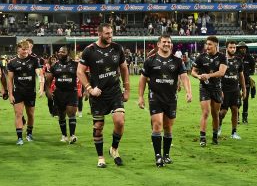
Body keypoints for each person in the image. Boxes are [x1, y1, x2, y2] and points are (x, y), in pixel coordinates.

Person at [77, 23, 130, 168]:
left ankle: (114, 148)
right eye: (107, 33)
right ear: (99, 34)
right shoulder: (89, 51)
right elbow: (80, 71)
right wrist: (89, 88)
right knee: (99, 125)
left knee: (119, 121)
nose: (110, 36)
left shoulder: (117, 48)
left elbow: (124, 68)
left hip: (114, 92)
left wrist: (127, 89)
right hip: (98, 95)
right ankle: (100, 157)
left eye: (111, 33)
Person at [138, 35, 192, 167]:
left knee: (168, 127)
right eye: (164, 42)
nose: (166, 44)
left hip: (171, 98)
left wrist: (188, 92)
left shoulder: (178, 61)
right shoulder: (150, 61)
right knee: (157, 124)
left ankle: (166, 155)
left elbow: (184, 77)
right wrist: (140, 96)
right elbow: (143, 79)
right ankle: (158, 156)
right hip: (155, 97)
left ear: (171, 45)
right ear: (158, 44)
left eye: (169, 42)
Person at [191, 36, 227, 146]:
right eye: (207, 44)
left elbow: (221, 72)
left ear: (216, 45)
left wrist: (208, 75)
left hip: (216, 88)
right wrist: (198, 76)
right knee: (206, 112)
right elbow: (192, 72)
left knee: (215, 114)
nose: (207, 46)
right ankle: (202, 138)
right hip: (204, 88)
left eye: (210, 44)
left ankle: (215, 137)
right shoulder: (201, 57)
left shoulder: (222, 57)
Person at [7, 40, 44, 145]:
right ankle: (19, 138)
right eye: (23, 49)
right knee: (18, 114)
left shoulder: (34, 60)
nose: (25, 51)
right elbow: (9, 79)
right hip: (18, 92)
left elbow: (40, 75)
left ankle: (29, 133)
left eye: (27, 49)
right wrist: (10, 94)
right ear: (18, 49)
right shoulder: (12, 62)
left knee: (30, 114)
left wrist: (41, 88)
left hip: (30, 92)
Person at [46, 46, 78, 143]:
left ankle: (72, 135)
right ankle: (64, 135)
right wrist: (48, 91)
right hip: (59, 92)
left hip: (72, 92)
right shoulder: (55, 65)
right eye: (59, 52)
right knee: (61, 114)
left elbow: (83, 75)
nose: (60, 53)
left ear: (68, 52)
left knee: (71, 112)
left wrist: (86, 89)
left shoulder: (75, 64)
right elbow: (48, 80)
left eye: (63, 52)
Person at [218, 41, 246, 139]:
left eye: (234, 48)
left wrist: (244, 90)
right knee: (223, 112)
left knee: (235, 110)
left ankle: (234, 132)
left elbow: (241, 76)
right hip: (224, 90)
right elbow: (217, 76)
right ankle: (218, 127)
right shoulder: (221, 60)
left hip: (235, 90)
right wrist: (219, 90)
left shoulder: (239, 60)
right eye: (231, 47)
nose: (233, 49)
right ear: (227, 48)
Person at [236, 42, 255, 124]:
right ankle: (237, 117)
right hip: (236, 81)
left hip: (246, 81)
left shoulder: (250, 58)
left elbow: (253, 69)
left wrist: (247, 74)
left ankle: (245, 118)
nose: (243, 49)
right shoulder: (235, 57)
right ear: (238, 49)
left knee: (246, 99)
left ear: (246, 49)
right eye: (241, 48)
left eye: (244, 48)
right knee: (236, 100)